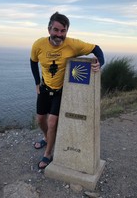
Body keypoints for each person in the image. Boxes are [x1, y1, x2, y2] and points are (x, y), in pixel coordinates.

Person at [30, 12, 105, 169]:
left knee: (52, 122)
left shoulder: (72, 44)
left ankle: (48, 153)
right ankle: (46, 138)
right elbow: (33, 61)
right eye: (56, 30)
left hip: (60, 91)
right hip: (44, 88)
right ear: (49, 29)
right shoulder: (38, 44)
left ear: (66, 31)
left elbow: (96, 48)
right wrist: (37, 82)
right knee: (40, 120)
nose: (59, 34)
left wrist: (100, 62)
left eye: (63, 31)